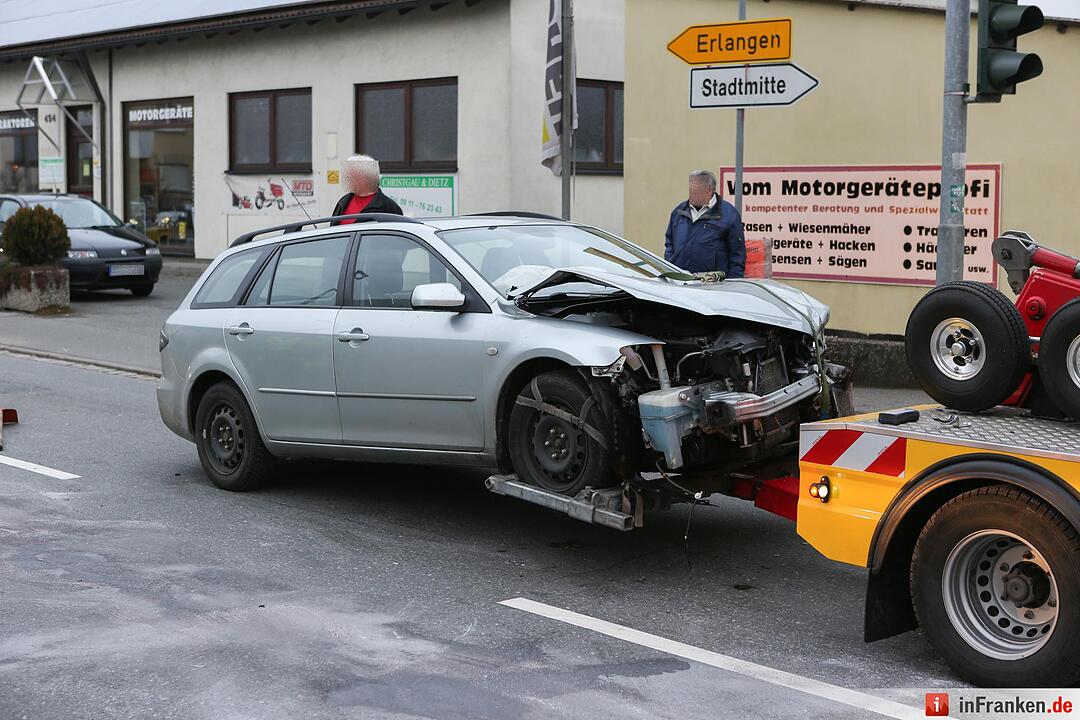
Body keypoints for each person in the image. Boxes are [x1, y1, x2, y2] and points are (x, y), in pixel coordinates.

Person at [664, 169, 745, 277]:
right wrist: (670, 265)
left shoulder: (729, 214)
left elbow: (737, 255)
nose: (692, 195)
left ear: (709, 190)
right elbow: (669, 242)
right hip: (680, 281)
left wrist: (732, 282)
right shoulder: (679, 212)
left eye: (697, 191)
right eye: (691, 191)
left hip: (713, 284)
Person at [331, 155, 403, 224]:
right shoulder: (343, 202)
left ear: (365, 177)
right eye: (347, 175)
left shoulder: (388, 207)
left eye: (351, 175)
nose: (347, 179)